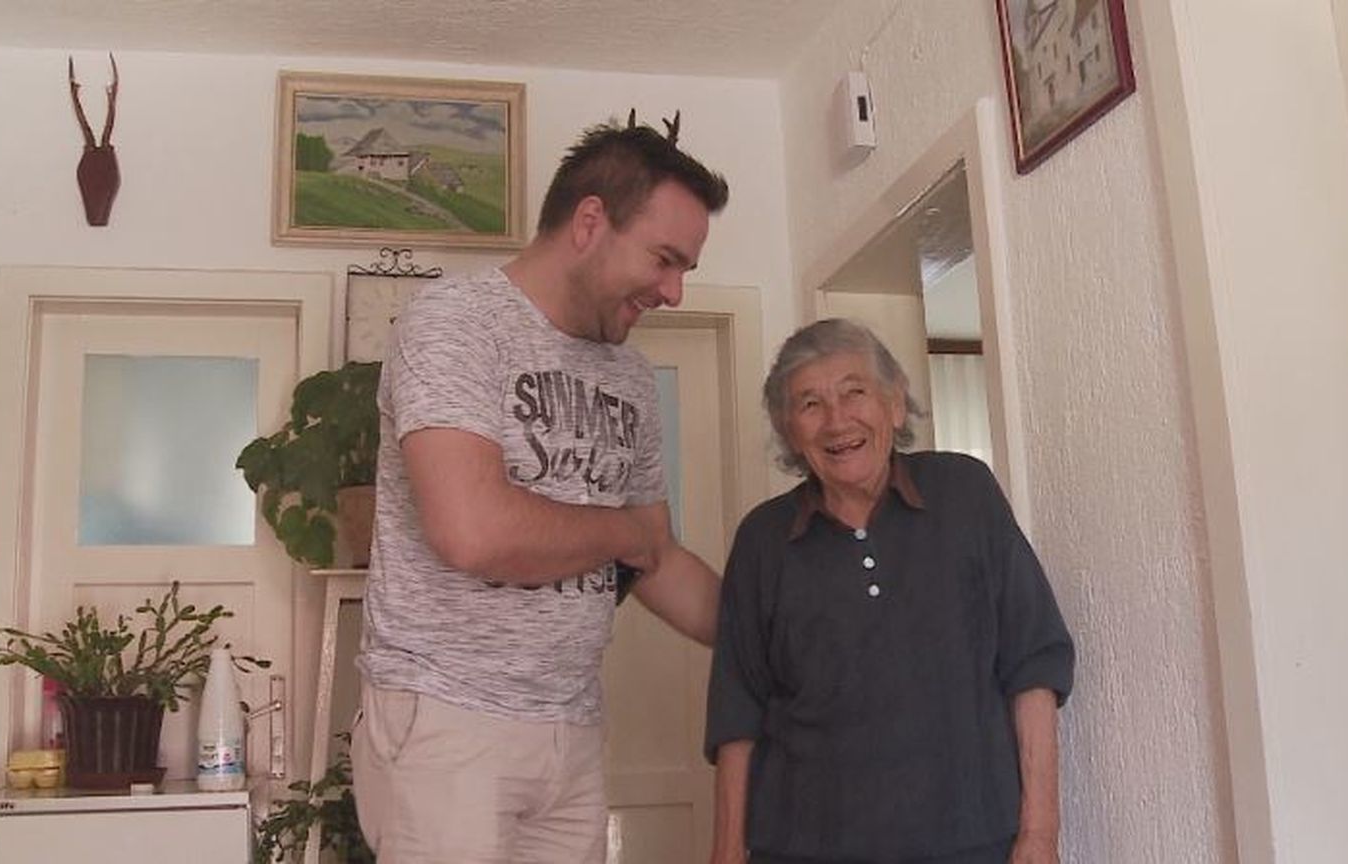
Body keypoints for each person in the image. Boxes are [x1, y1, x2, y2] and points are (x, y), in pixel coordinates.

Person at [352, 115, 730, 864]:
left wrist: (788, 638)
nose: (675, 291)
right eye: (664, 260)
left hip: (573, 731)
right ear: (590, 222)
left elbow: (658, 559)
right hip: (448, 723)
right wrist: (624, 533)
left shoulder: (629, 377)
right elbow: (474, 532)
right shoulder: (456, 323)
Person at [706, 318, 1075, 864]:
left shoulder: (965, 494)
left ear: (895, 403)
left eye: (854, 392)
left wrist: (1040, 834)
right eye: (810, 404)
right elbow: (738, 711)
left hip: (971, 844)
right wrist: (726, 854)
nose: (837, 421)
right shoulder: (763, 539)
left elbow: (1033, 664)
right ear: (789, 430)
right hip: (805, 849)